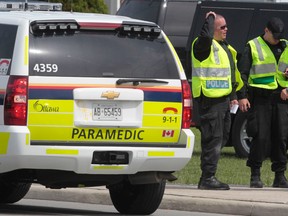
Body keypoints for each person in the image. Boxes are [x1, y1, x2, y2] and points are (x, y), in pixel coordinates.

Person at [191, 11, 243, 190]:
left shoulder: (225, 48)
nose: (226, 29)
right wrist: (210, 18)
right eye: (222, 27)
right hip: (210, 101)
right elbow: (205, 37)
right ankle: (207, 178)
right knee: (213, 139)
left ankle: (209, 175)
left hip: (223, 101)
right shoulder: (203, 46)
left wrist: (234, 97)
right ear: (212, 29)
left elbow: (231, 76)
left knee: (221, 138)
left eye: (226, 26)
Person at [237, 17, 288, 188]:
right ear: (266, 30)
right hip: (260, 99)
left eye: (279, 36)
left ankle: (280, 176)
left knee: (281, 137)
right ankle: (255, 175)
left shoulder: (285, 46)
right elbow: (242, 73)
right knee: (260, 136)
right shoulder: (252, 46)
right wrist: (242, 96)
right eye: (274, 35)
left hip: (281, 98)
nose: (277, 39)